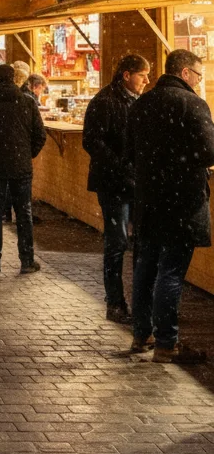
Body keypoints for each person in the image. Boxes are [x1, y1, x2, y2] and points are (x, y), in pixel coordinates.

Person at [126, 49, 214, 363]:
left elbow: (129, 150)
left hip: (149, 199)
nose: (200, 82)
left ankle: (141, 333)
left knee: (146, 267)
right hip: (182, 201)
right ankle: (166, 343)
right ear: (186, 73)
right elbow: (209, 151)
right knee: (172, 272)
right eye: (199, 76)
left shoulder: (142, 104)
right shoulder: (193, 104)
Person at [82, 54, 150, 323]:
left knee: (139, 243)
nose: (146, 80)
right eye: (142, 75)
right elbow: (92, 141)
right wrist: (121, 166)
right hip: (113, 184)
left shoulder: (137, 101)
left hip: (134, 182)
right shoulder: (105, 102)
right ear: (126, 75)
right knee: (117, 243)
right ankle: (115, 302)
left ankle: (138, 302)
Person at [0, 63, 47, 274]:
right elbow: (40, 135)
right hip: (21, 166)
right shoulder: (27, 102)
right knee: (24, 213)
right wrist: (26, 153)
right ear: (14, 79)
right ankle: (27, 260)